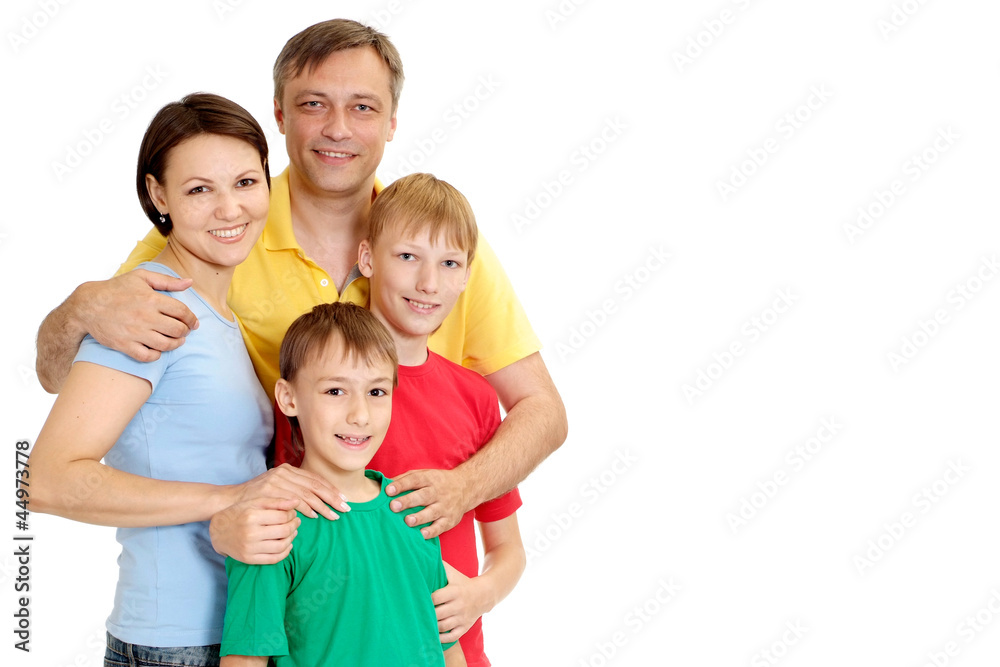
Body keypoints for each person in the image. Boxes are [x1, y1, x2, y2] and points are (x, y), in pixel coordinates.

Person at [33, 19, 567, 560]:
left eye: (363, 107)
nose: (338, 128)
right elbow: (60, 377)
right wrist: (80, 310)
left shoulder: (438, 251)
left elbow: (542, 409)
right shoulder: (221, 226)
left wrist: (463, 490)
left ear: (391, 122)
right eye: (314, 104)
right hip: (271, 561)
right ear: (280, 114)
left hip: (408, 572)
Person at [27, 93, 345, 667]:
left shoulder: (214, 312)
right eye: (200, 190)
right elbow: (47, 481)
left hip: (241, 633)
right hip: (175, 643)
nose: (229, 209)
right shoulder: (145, 306)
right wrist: (233, 498)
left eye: (246, 182)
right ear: (159, 195)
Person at [272, 173, 525, 666]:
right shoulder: (321, 389)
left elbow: (507, 548)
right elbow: (285, 531)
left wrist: (480, 595)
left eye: (449, 263)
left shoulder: (475, 396)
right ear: (367, 258)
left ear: (468, 275)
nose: (428, 283)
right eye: (408, 256)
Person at [220, 302, 466, 667]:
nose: (360, 414)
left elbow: (446, 648)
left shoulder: (413, 512)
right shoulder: (271, 527)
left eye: (376, 392)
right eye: (336, 391)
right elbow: (245, 659)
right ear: (288, 398)